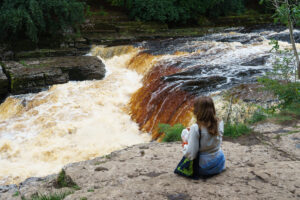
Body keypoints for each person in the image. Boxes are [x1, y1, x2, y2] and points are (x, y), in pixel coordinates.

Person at [182, 96, 225, 177]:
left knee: (184, 134)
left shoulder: (196, 128)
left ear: (197, 111)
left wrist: (184, 146)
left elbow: (191, 155)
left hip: (204, 168)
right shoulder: (220, 122)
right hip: (220, 163)